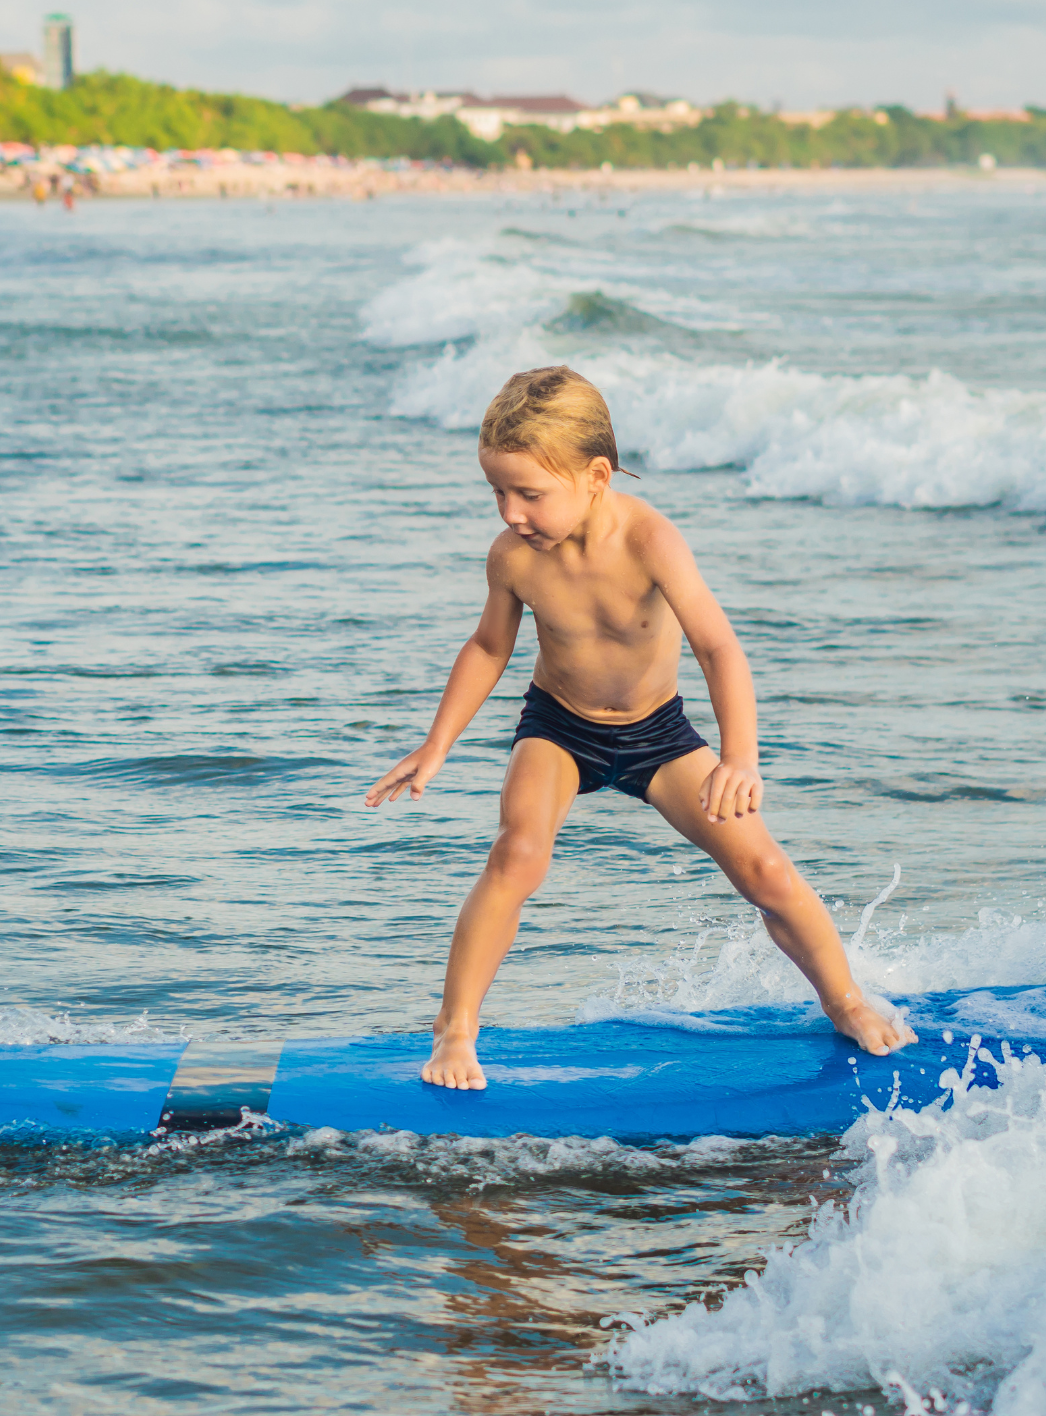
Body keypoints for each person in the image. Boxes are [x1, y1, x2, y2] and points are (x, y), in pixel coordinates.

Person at [366, 366, 915, 1089]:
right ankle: (454, 1034)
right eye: (497, 492)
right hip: (557, 728)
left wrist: (738, 759)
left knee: (766, 871)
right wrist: (437, 743)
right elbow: (489, 647)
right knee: (517, 856)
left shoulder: (651, 541)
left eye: (529, 493)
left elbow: (719, 647)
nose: (508, 512)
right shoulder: (514, 558)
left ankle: (843, 999)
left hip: (658, 735)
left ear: (595, 475)